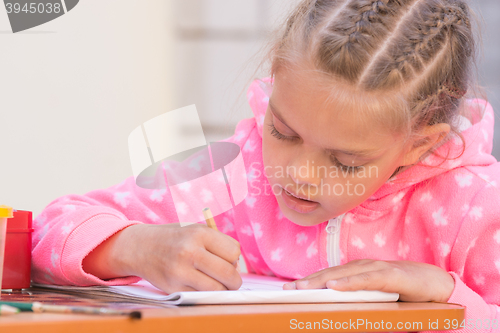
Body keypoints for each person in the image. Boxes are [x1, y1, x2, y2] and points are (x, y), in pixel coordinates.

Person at [33, 0, 499, 330]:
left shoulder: (473, 207)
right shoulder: (235, 173)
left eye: (346, 161)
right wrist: (131, 247)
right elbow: (47, 230)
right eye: (283, 131)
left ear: (420, 145)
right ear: (275, 79)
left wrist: (446, 293)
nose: (299, 173)